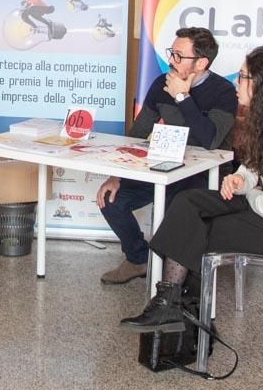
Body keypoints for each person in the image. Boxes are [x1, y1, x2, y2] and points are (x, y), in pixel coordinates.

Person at [121, 46, 263, 334]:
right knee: (188, 202)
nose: (236, 82)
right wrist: (241, 180)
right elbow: (253, 167)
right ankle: (173, 302)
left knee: (199, 228)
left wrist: (249, 190)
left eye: (242, 77)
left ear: (261, 85)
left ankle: (175, 306)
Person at [96, 27, 237, 285]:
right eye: (172, 53)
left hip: (201, 176)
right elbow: (138, 133)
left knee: (176, 209)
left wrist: (182, 96)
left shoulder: (224, 92)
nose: (171, 60)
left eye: (179, 56)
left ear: (202, 63)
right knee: (110, 198)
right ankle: (138, 259)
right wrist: (116, 174)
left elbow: (210, 139)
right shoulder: (161, 84)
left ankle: (173, 282)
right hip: (164, 166)